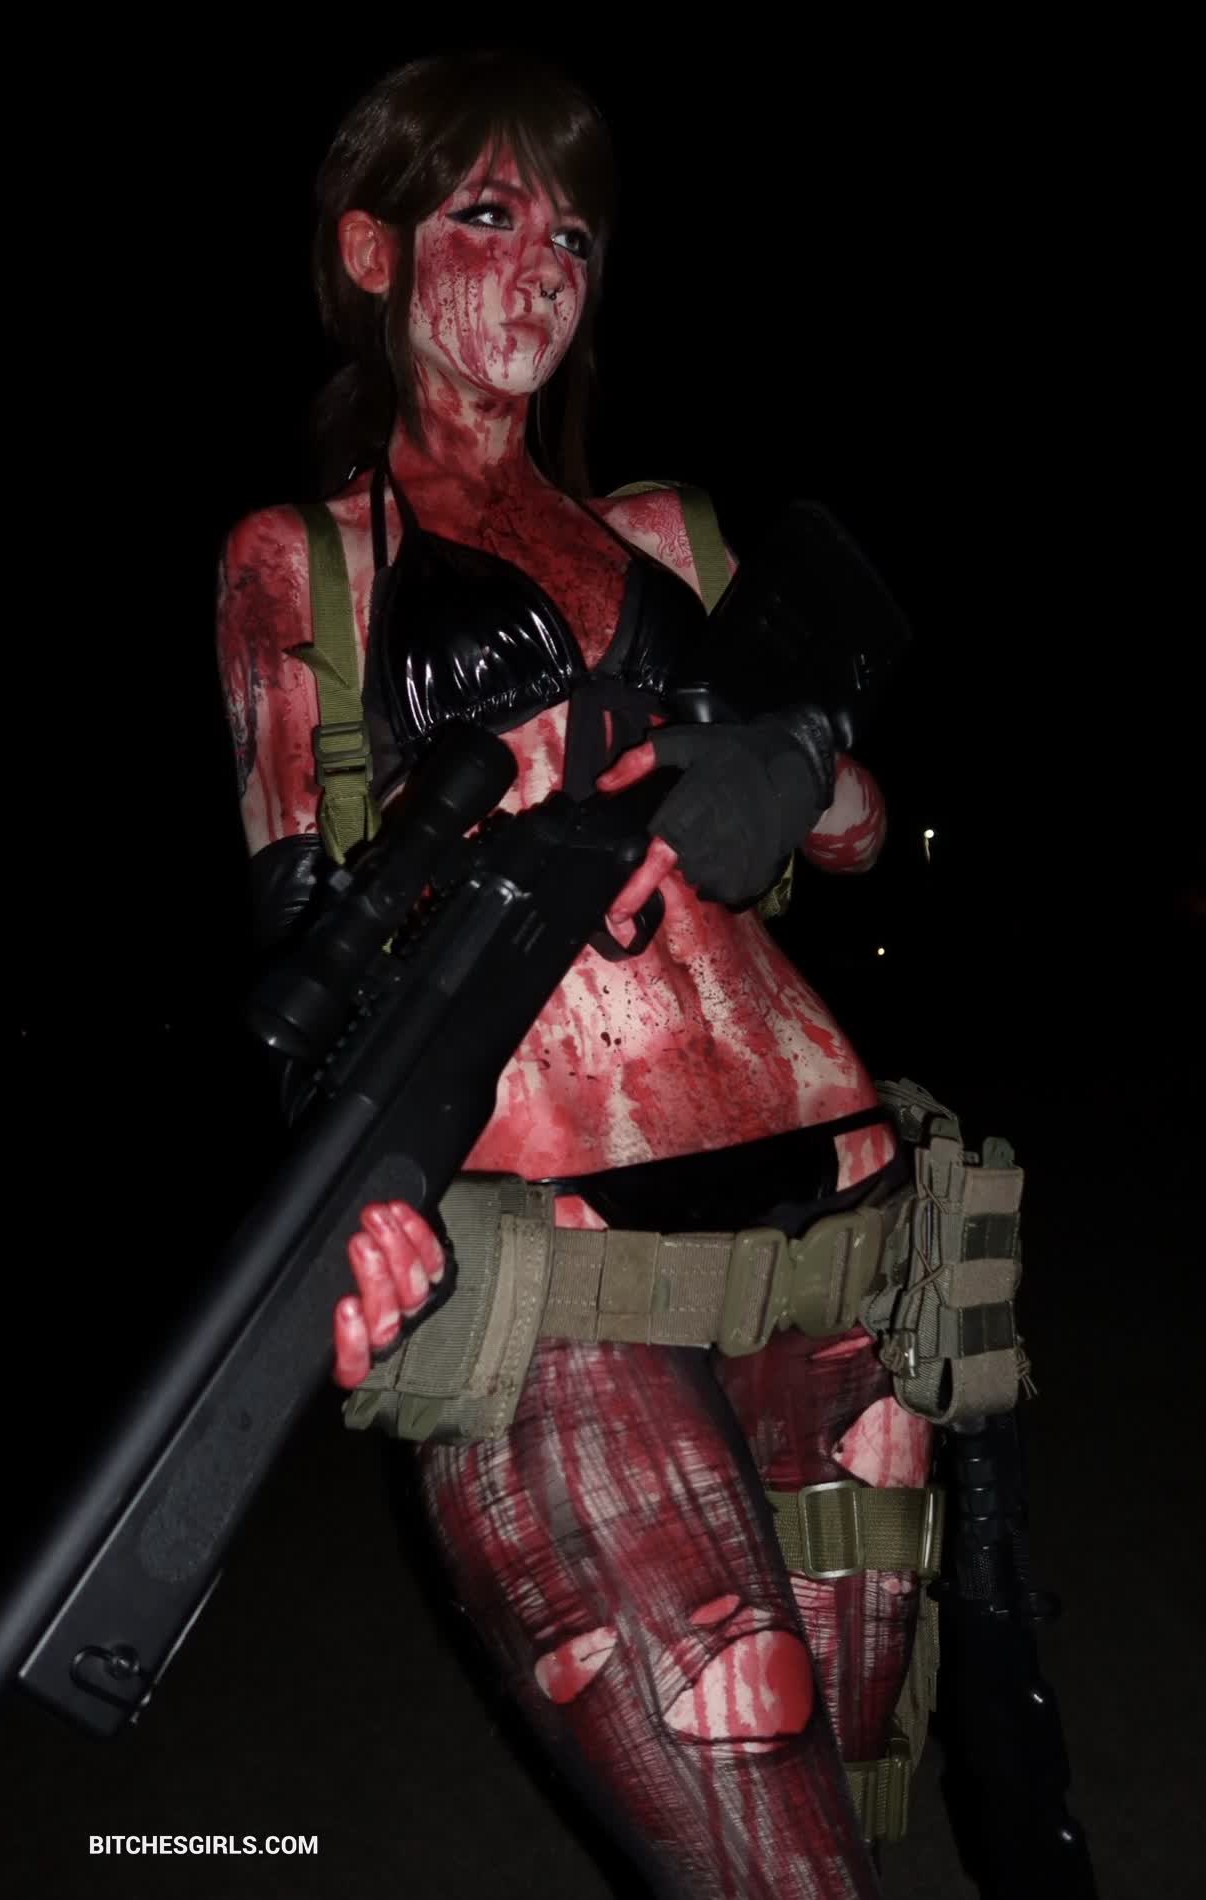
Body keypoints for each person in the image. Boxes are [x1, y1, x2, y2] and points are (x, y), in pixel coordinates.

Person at [216, 49, 935, 1900]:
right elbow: (307, 940)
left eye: (574, 234)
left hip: (837, 1231)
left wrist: (803, 773)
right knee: (767, 1834)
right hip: (561, 1276)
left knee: (856, 1814)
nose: (543, 264)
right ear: (370, 251)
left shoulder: (670, 534)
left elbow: (862, 838)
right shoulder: (302, 567)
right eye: (488, 214)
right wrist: (357, 1201)